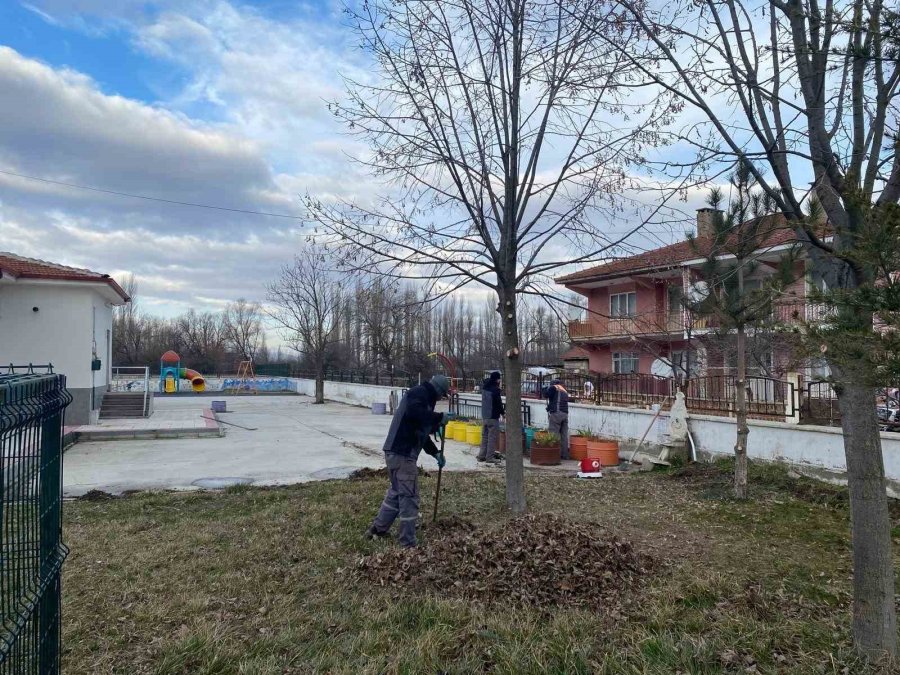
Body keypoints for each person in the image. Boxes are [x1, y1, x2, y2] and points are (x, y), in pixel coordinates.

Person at [365, 374, 450, 547]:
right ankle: (407, 543)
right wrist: (439, 418)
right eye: (443, 395)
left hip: (395, 452)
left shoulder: (423, 399)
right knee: (409, 497)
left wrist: (435, 453)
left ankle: (377, 529)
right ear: (439, 390)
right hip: (403, 454)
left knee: (397, 493)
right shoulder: (419, 393)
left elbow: (421, 431)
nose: (441, 398)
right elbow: (415, 414)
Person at [478, 371, 504, 462]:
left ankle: (481, 455)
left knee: (484, 436)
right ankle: (489, 457)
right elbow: (498, 404)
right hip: (493, 417)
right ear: (497, 379)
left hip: (485, 416)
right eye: (499, 379)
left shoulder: (485, 388)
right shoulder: (495, 390)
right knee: (492, 437)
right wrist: (503, 413)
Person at [543, 378, 570, 460]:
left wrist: (544, 388)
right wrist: (550, 407)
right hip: (565, 414)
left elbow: (546, 395)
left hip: (556, 414)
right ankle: (564, 455)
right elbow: (555, 400)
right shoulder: (564, 390)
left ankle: (553, 455)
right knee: (564, 435)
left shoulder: (554, 387)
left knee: (553, 434)